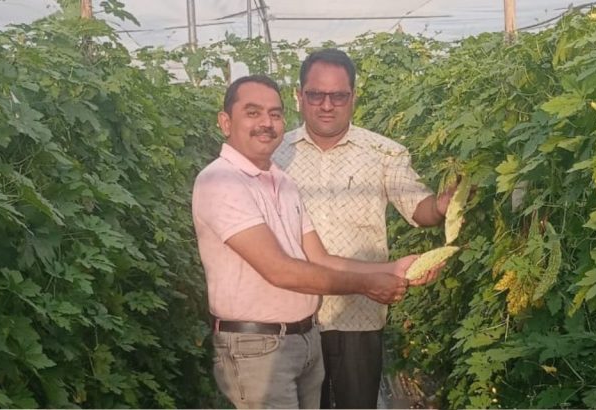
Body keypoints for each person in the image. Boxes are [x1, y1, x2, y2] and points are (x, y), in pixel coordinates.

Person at [191, 75, 437, 409]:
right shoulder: (220, 181)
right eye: (252, 113)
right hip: (257, 348)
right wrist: (367, 284)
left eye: (275, 114)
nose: (266, 123)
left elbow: (318, 258)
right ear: (225, 122)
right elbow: (280, 271)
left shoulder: (283, 183)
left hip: (304, 340)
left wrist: (394, 269)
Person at [273, 49, 456, 409]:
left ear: (353, 97)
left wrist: (440, 207)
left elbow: (418, 209)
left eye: (338, 96)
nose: (327, 105)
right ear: (299, 96)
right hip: (290, 317)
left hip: (358, 314)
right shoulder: (275, 155)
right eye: (316, 95)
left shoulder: (383, 153)